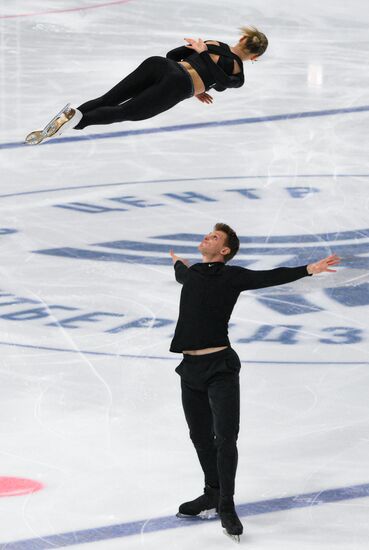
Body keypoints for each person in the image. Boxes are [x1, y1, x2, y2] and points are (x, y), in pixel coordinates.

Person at [169, 223, 340, 542]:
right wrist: (178, 262)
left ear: (225, 252)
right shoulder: (191, 275)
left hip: (220, 366)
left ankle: (227, 504)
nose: (208, 237)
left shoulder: (232, 276)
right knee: (200, 436)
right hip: (189, 368)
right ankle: (212, 493)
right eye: (209, 234)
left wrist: (308, 269)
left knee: (226, 437)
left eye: (215, 237)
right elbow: (183, 274)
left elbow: (269, 276)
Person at [24, 26, 268, 145]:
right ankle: (78, 120)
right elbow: (224, 81)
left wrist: (197, 70)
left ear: (242, 38)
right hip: (178, 85)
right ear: (255, 57)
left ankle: (70, 117)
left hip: (160, 65)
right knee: (126, 112)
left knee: (107, 99)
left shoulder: (213, 42)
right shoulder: (237, 70)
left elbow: (173, 53)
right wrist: (197, 84)